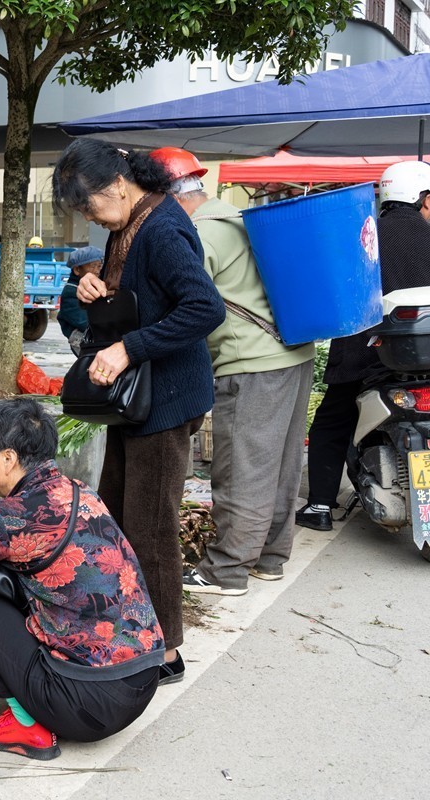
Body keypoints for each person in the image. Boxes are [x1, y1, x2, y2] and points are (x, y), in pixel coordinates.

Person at [0, 398, 163, 760]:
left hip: (87, 706)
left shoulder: (9, 517)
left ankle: (25, 724)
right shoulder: (81, 492)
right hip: (143, 683)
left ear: (7, 459)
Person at [52, 138, 224, 685]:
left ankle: (165, 653)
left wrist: (129, 349)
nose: (89, 217)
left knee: (149, 529)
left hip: (165, 401)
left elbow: (204, 308)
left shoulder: (164, 229)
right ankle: (132, 633)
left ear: (119, 186)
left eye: (88, 206)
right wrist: (89, 288)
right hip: (136, 402)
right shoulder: (128, 224)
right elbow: (132, 298)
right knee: (120, 522)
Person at [150, 147, 315, 595]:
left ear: (167, 195)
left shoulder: (199, 235)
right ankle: (270, 557)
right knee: (279, 464)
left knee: (244, 468)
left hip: (252, 363)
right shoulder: (236, 217)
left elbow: (183, 305)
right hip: (293, 355)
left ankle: (226, 570)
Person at [296, 160, 430, 531]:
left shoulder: (361, 234)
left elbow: (337, 293)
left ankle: (320, 507)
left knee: (331, 423)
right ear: (424, 200)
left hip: (363, 355)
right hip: (424, 360)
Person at [57, 246, 103, 350]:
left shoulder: (93, 286)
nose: (97, 271)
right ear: (77, 270)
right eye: (93, 266)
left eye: (99, 266)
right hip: (80, 338)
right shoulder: (71, 291)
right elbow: (83, 322)